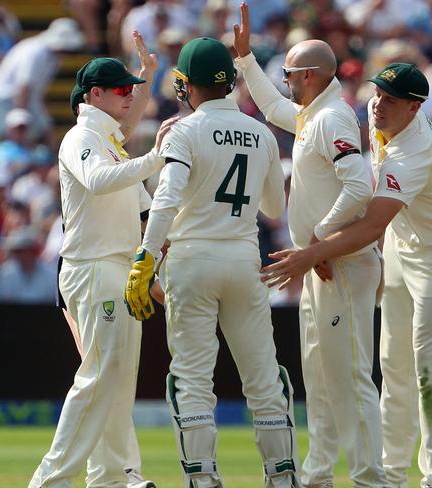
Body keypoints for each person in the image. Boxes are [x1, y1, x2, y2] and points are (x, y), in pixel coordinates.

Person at [261, 63, 432, 488]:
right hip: (403, 243)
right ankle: (393, 473)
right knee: (393, 363)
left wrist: (313, 252)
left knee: (431, 370)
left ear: (415, 109)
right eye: (377, 95)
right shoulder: (388, 124)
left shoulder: (411, 153)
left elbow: (370, 225)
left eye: (391, 101)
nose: (377, 106)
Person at [124, 37, 301, 488]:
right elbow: (275, 211)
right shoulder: (260, 131)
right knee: (263, 376)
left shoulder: (183, 131)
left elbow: (166, 199)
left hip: (191, 260)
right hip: (244, 259)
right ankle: (282, 478)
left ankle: (202, 479)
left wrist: (145, 256)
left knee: (191, 377)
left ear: (186, 85)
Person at [234, 4, 389, 487]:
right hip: (320, 264)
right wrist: (245, 61)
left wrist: (319, 240)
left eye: (288, 74)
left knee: (349, 376)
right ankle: (319, 475)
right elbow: (274, 108)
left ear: (309, 76)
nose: (284, 81)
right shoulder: (311, 115)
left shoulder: (333, 120)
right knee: (320, 378)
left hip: (339, 263)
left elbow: (359, 189)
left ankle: (369, 478)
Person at [28, 49, 177, 487]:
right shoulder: (82, 138)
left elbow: (142, 213)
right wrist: (155, 158)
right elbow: (97, 180)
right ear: (95, 95)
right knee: (98, 377)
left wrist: (154, 266)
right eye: (121, 89)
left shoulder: (111, 143)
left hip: (117, 269)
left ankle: (112, 478)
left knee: (115, 379)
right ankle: (49, 480)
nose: (130, 95)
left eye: (132, 88)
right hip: (92, 268)